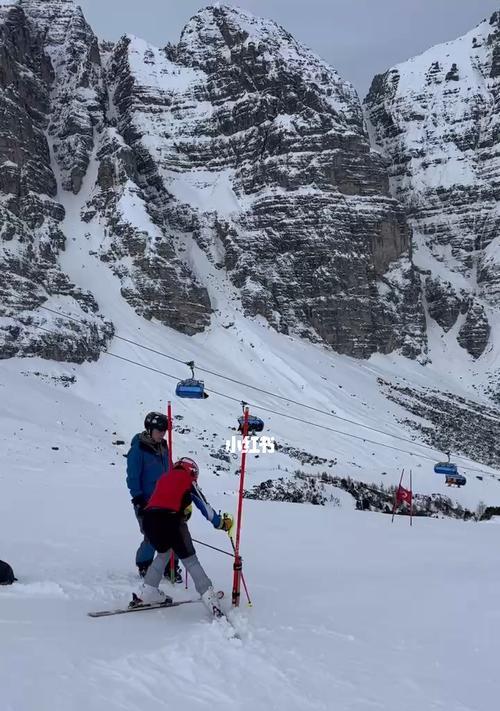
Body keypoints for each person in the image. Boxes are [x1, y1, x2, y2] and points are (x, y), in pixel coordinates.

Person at [131, 457, 233, 617]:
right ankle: (209, 597)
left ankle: (148, 591)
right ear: (192, 471)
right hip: (171, 521)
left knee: (163, 554)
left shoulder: (164, 478)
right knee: (191, 560)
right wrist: (221, 523)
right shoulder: (187, 480)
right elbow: (204, 507)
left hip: (149, 520)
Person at [126, 411, 182, 582]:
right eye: (159, 430)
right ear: (149, 429)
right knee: (151, 536)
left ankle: (170, 567)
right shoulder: (138, 450)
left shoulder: (164, 448)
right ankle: (145, 564)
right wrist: (138, 499)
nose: (163, 434)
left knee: (173, 533)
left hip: (167, 500)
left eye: (164, 431)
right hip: (147, 501)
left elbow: (169, 470)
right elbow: (133, 477)